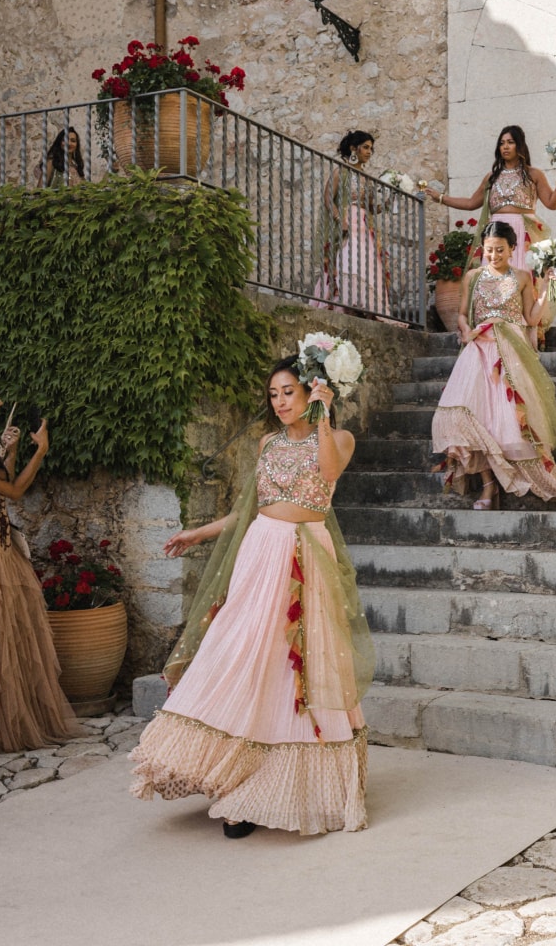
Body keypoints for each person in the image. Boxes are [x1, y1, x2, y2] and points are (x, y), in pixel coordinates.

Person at [130, 357, 375, 837]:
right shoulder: (266, 442)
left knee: (301, 663)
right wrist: (199, 533)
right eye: (274, 395)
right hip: (260, 551)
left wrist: (325, 417)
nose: (280, 403)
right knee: (242, 652)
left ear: (312, 392)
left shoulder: (339, 438)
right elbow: (248, 509)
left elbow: (327, 473)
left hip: (306, 555)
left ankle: (272, 787)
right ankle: (232, 776)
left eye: (288, 392)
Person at [431, 221, 556, 510]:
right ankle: (488, 484)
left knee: (508, 419)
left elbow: (531, 319)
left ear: (512, 249)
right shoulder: (472, 276)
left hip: (510, 348)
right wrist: (465, 328)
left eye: (499, 250)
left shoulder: (521, 277)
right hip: (479, 346)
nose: (492, 255)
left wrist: (544, 286)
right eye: (488, 250)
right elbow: (460, 314)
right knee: (461, 410)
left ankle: (497, 485)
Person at [0, 376, 80, 753]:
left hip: (0, 554)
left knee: (3, 644)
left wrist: (13, 449)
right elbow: (15, 490)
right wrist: (41, 451)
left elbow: (2, 482)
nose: (0, 404)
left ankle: (6, 723)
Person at [426, 125, 556, 347]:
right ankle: (491, 333)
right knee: (494, 284)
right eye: (502, 143)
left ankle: (525, 335)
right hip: (494, 236)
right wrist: (440, 198)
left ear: (519, 145)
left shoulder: (534, 175)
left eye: (510, 142)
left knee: (525, 283)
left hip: (523, 236)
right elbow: (470, 203)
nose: (505, 146)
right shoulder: (492, 177)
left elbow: (552, 203)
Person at [312, 130, 390, 319]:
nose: (369, 152)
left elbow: (371, 207)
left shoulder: (367, 179)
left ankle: (366, 306)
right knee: (348, 261)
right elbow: (328, 198)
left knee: (368, 264)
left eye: (371, 148)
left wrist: (387, 203)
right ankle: (346, 304)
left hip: (364, 226)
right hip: (347, 224)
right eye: (365, 147)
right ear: (353, 148)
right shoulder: (341, 171)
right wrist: (341, 220)